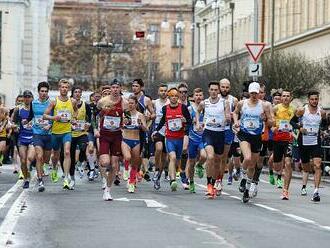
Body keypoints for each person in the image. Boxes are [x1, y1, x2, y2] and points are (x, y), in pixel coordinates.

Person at [233, 82, 274, 203]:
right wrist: (236, 121)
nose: (254, 95)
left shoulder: (265, 106)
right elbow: (235, 112)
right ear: (249, 93)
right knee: (248, 157)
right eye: (252, 93)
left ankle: (246, 187)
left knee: (252, 165)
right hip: (244, 134)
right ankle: (242, 173)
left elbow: (272, 122)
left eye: (256, 93)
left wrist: (265, 119)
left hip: (257, 136)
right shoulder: (242, 103)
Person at [290, 90, 327, 202]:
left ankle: (316, 191)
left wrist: (322, 130)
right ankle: (306, 181)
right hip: (304, 141)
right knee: (306, 167)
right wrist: (299, 128)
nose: (314, 101)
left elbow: (325, 125)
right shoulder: (302, 110)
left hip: (316, 141)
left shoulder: (322, 112)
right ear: (308, 100)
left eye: (316, 99)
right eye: (312, 99)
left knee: (317, 165)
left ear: (318, 99)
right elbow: (292, 122)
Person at [196, 82, 230, 198]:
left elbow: (227, 115)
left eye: (216, 90)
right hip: (208, 133)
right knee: (210, 157)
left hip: (220, 134)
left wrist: (227, 118)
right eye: (212, 89)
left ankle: (215, 183)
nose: (214, 91)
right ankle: (209, 184)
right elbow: (198, 111)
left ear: (218, 91)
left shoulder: (224, 102)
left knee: (217, 162)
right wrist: (198, 123)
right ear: (209, 91)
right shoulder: (204, 103)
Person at [154, 87, 192, 191]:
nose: (174, 98)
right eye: (172, 96)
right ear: (169, 97)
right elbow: (162, 121)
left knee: (178, 161)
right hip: (169, 137)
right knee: (172, 157)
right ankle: (173, 180)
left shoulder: (183, 108)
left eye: (176, 96)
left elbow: (189, 121)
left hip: (180, 137)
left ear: (178, 97)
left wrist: (185, 121)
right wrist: (156, 130)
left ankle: (182, 173)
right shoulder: (165, 108)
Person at [96, 80, 128, 201]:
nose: (115, 89)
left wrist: (126, 121)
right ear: (110, 89)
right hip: (104, 135)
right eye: (113, 87)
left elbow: (128, 117)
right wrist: (95, 128)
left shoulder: (124, 103)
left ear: (120, 88)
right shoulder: (103, 101)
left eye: (117, 87)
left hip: (116, 136)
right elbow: (95, 115)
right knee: (105, 162)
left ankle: (108, 191)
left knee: (114, 165)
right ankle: (104, 175)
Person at [43, 79, 77, 189]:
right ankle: (54, 168)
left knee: (67, 152)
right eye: (62, 87)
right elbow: (44, 115)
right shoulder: (54, 102)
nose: (64, 89)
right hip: (55, 132)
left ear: (69, 89)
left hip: (66, 131)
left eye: (66, 87)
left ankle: (66, 178)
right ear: (59, 88)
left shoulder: (72, 101)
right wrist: (54, 118)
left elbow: (75, 111)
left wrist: (74, 119)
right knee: (55, 155)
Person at [28, 82, 52, 192]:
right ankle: (40, 179)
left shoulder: (51, 103)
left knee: (46, 159)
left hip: (48, 134)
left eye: (46, 91)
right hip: (37, 133)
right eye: (42, 91)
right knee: (39, 156)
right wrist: (26, 121)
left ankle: (43, 168)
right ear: (38, 92)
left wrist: (50, 125)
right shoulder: (33, 103)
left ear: (48, 92)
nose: (44, 93)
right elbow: (30, 116)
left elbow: (55, 118)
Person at [122, 95, 148, 193]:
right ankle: (125, 169)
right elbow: (119, 125)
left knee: (135, 163)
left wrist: (141, 124)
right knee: (127, 157)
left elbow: (146, 129)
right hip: (125, 139)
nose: (130, 105)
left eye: (132, 103)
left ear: (136, 104)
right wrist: (123, 123)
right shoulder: (124, 114)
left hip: (136, 140)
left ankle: (132, 183)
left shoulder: (140, 115)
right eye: (129, 103)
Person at [272, 90, 295, 200]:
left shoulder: (293, 109)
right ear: (281, 98)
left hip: (288, 140)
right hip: (277, 139)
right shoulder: (276, 108)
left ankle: (285, 190)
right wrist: (272, 127)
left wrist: (295, 132)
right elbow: (268, 120)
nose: (286, 98)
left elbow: (298, 122)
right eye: (284, 96)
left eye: (288, 96)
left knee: (288, 163)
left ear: (291, 98)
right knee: (277, 166)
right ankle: (276, 172)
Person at [12, 90, 35, 189]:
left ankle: (28, 170)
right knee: (23, 160)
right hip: (22, 138)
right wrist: (16, 127)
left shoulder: (35, 108)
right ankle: (26, 179)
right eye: (25, 97)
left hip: (33, 137)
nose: (27, 98)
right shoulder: (18, 109)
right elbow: (13, 122)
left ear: (32, 98)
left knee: (29, 158)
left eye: (29, 97)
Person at [70, 86, 92, 189]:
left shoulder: (85, 105)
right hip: (70, 133)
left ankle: (80, 162)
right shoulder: (68, 104)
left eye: (79, 92)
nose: (77, 94)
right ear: (72, 93)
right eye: (76, 92)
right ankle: (72, 177)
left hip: (82, 132)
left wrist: (88, 124)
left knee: (84, 147)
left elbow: (89, 118)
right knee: (70, 155)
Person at [218, 79, 238, 186]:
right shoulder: (215, 99)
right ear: (219, 87)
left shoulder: (234, 100)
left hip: (228, 131)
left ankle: (219, 181)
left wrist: (233, 118)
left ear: (229, 88)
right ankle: (213, 179)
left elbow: (237, 114)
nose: (225, 89)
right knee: (216, 157)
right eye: (223, 87)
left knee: (224, 157)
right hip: (216, 130)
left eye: (227, 87)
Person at [186, 88, 206, 193]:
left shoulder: (206, 108)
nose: (198, 97)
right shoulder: (190, 109)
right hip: (192, 138)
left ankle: (200, 165)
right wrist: (191, 121)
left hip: (203, 138)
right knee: (191, 162)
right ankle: (192, 182)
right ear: (193, 97)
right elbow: (185, 122)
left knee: (204, 156)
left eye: (200, 95)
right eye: (196, 95)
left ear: (203, 97)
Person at [151, 84, 169, 190]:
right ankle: (156, 169)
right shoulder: (155, 103)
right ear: (158, 92)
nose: (163, 92)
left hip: (168, 132)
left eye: (165, 91)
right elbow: (149, 113)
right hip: (158, 130)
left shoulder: (170, 103)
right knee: (158, 148)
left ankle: (158, 175)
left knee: (164, 158)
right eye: (161, 90)